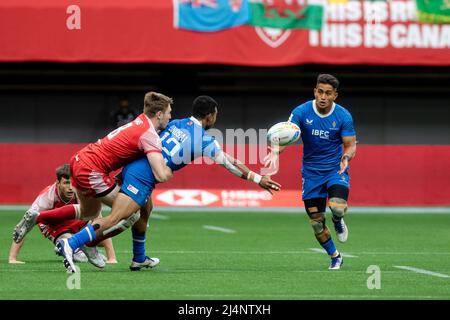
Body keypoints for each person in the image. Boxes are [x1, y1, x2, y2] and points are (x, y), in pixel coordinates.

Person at [90, 95, 282, 271]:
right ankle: (80, 243)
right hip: (145, 175)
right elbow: (230, 163)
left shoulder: (175, 123)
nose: (216, 118)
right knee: (120, 217)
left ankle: (139, 258)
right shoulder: (205, 140)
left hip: (135, 167)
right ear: (209, 116)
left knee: (146, 210)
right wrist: (258, 178)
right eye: (215, 114)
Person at [13, 91, 174, 272]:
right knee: (132, 214)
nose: (170, 116)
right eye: (169, 112)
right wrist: (174, 167)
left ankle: (38, 217)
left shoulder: (139, 121)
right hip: (92, 170)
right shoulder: (149, 134)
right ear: (159, 114)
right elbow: (160, 174)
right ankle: (85, 244)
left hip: (80, 159)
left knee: (89, 213)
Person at [264, 74, 357, 270]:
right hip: (311, 173)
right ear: (315, 91)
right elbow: (287, 136)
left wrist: (346, 157)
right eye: (320, 92)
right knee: (316, 223)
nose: (323, 96)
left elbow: (350, 145)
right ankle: (335, 256)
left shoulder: (343, 116)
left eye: (328, 93)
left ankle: (338, 220)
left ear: (335, 95)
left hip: (334, 169)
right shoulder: (301, 111)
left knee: (338, 207)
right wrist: (275, 151)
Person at [8, 164, 117, 265]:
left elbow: (99, 220)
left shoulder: (80, 190)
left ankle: (73, 246)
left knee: (98, 231)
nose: (70, 187)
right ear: (58, 183)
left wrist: (112, 258)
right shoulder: (47, 197)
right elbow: (26, 224)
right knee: (81, 257)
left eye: (72, 183)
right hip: (55, 226)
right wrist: (12, 258)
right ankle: (68, 245)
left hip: (76, 221)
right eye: (66, 183)